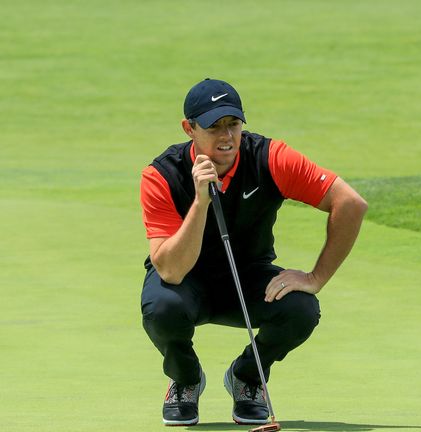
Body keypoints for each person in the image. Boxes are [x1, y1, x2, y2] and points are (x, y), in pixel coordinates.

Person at [139, 78, 367, 426]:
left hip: (248, 278)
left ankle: (248, 377)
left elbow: (350, 203)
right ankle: (185, 380)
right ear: (189, 129)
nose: (227, 136)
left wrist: (315, 278)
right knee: (162, 307)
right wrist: (201, 202)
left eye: (233, 124)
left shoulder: (270, 158)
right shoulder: (163, 174)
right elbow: (171, 271)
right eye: (214, 127)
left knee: (302, 308)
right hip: (186, 282)